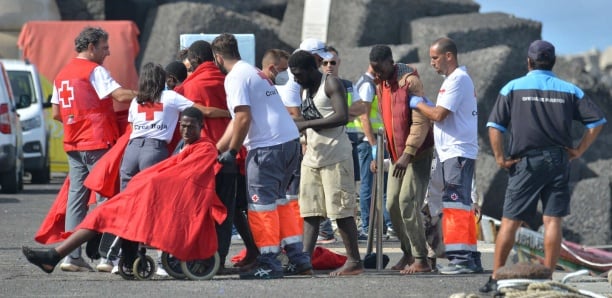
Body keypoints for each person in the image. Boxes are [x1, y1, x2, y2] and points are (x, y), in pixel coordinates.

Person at [22, 74, 226, 277]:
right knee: (100, 215)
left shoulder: (204, 148)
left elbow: (184, 179)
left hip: (158, 198)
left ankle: (64, 257)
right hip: (147, 189)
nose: (185, 129)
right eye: (183, 125)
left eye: (191, 126)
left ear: (201, 126)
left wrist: (148, 181)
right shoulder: (183, 142)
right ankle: (56, 256)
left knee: (109, 215)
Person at [479, 40, 607, 293]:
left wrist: (500, 158)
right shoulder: (570, 90)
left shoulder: (512, 88)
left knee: (510, 221)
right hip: (559, 160)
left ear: (528, 62)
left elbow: (494, 127)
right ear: (554, 62)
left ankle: (495, 278)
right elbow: (597, 122)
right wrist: (579, 150)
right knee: (552, 220)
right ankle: (548, 277)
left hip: (526, 162)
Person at [211, 33, 311, 279]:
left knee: (260, 206)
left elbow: (242, 118)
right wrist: (217, 149)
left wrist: (232, 151)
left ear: (218, 57)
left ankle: (268, 262)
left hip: (267, 149)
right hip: (288, 142)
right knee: (281, 203)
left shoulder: (234, 78)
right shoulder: (252, 71)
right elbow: (237, 120)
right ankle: (299, 259)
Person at [49, 26, 137, 272]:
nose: (107, 52)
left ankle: (72, 256)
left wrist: (77, 121)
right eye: (104, 47)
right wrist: (147, 94)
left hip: (73, 142)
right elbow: (119, 95)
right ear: (91, 47)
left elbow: (57, 113)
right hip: (97, 141)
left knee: (76, 199)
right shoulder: (95, 71)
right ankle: (107, 257)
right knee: (106, 197)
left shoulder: (62, 74)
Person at [174, 40, 258, 272]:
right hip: (236, 152)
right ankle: (237, 253)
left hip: (204, 157)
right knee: (234, 208)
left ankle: (207, 257)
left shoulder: (189, 86)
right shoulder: (230, 78)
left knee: (204, 208)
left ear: (194, 61)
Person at [289, 50, 363, 276]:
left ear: (312, 69)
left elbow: (342, 116)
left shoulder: (330, 84)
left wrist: (306, 124)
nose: (295, 79)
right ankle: (304, 261)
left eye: (299, 74)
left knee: (340, 211)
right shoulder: (304, 89)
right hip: (313, 156)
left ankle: (354, 261)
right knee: (310, 212)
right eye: (293, 74)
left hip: (335, 156)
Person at [410, 37, 481, 274]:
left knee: (456, 205)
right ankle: (470, 257)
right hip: (450, 152)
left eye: (435, 57)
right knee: (461, 205)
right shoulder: (453, 80)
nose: (432, 63)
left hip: (456, 152)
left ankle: (461, 260)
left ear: (448, 56)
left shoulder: (457, 80)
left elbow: (439, 115)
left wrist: (418, 104)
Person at [368, 45, 433, 274]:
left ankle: (421, 259)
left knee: (407, 202)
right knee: (391, 204)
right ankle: (407, 253)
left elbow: (421, 122)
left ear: (390, 62)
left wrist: (408, 154)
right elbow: (387, 124)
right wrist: (382, 154)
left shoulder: (410, 82)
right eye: (373, 69)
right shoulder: (381, 84)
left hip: (417, 154)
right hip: (397, 155)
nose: (376, 73)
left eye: (379, 69)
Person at [351, 64, 394, 241]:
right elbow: (364, 116)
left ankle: (388, 224)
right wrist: (374, 144)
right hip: (370, 142)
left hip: (376, 141)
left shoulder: (368, 83)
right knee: (369, 185)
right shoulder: (367, 85)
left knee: (383, 185)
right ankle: (368, 227)